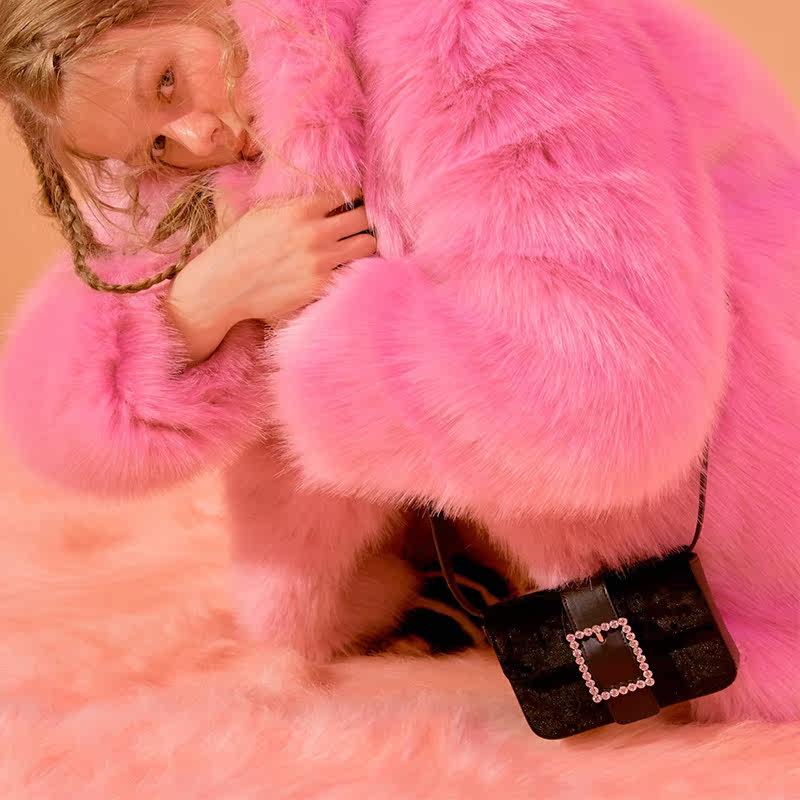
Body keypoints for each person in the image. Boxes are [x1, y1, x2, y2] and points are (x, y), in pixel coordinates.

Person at [1, 0, 798, 723]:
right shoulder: (233, 115)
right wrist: (208, 301)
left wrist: (317, 331)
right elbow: (63, 424)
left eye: (167, 82)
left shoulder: (479, 30)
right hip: (459, 597)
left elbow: (602, 399)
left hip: (737, 522)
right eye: (152, 144)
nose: (192, 139)